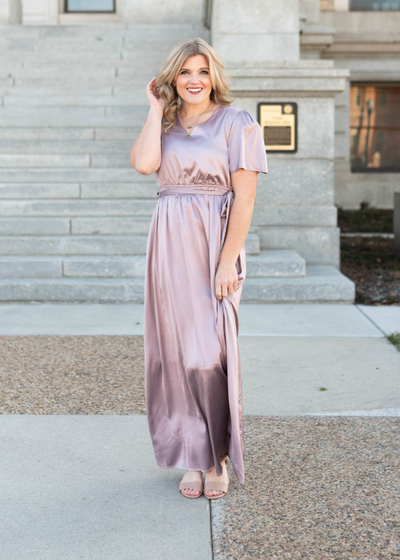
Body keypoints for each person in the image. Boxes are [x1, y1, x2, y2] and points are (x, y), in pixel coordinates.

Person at [130, 38, 268, 500]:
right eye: (185, 72)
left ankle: (218, 455)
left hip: (214, 242)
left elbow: (245, 196)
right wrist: (154, 110)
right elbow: (144, 164)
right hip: (169, 243)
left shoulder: (237, 122)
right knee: (175, 353)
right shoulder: (165, 122)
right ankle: (193, 455)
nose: (194, 80)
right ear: (172, 78)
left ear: (215, 77)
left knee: (209, 354)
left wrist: (228, 259)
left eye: (203, 71)